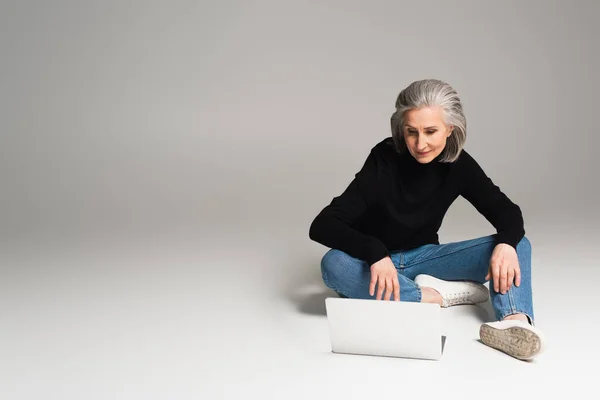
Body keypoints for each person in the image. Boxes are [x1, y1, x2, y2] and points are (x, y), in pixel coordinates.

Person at [308, 79, 545, 361]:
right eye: (411, 132)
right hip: (374, 264)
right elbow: (323, 224)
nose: (420, 144)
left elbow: (507, 212)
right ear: (401, 130)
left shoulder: (459, 165)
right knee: (333, 264)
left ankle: (513, 322)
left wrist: (506, 244)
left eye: (431, 131)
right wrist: (374, 252)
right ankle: (430, 296)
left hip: (426, 258)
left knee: (517, 243)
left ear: (450, 129)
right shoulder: (384, 158)